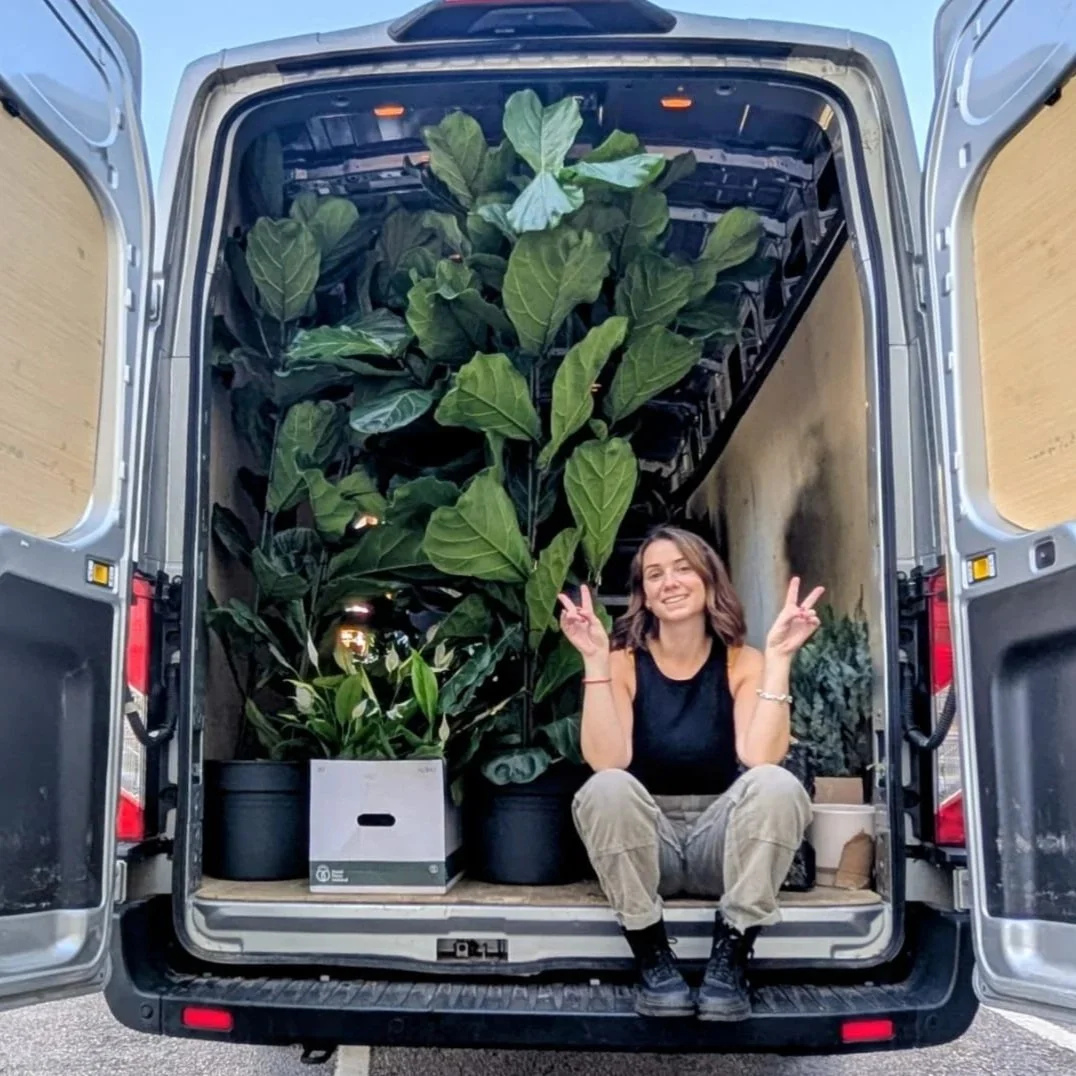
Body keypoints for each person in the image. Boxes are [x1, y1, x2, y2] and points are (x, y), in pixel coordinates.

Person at [558, 526, 820, 1021]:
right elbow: (606, 759)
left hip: (719, 844)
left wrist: (780, 660)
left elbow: (762, 756)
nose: (669, 582)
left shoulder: (743, 661)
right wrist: (595, 660)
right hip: (645, 845)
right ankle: (652, 956)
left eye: (682, 568)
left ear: (708, 581)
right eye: (654, 574)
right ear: (645, 597)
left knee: (777, 783)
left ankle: (732, 956)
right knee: (606, 787)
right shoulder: (624, 663)